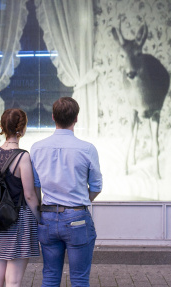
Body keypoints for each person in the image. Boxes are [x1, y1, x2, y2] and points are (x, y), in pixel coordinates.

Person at [31, 97, 103, 287]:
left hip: (46, 217)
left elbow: (35, 185)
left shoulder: (37, 149)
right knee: (79, 279)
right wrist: (79, 203)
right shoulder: (87, 149)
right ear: (76, 118)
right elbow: (96, 187)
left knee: (50, 277)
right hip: (77, 219)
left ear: (53, 117)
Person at [0, 108, 41, 287]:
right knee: (13, 280)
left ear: (3, 126)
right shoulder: (23, 157)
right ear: (23, 128)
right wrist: (40, 219)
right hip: (18, 220)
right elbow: (28, 194)